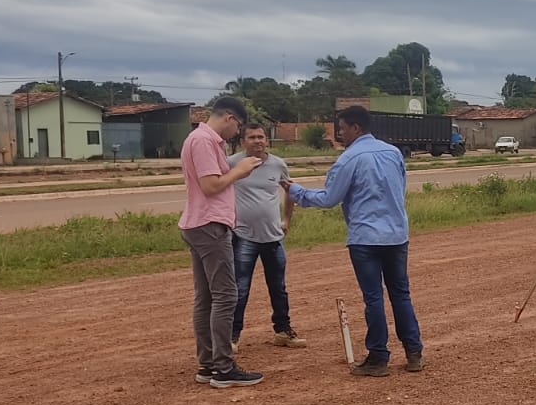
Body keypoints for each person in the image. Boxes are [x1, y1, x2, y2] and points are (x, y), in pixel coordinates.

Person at [284, 106, 424, 376]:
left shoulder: (348, 159)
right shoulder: (393, 152)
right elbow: (400, 188)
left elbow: (328, 199)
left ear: (356, 128)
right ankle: (414, 352)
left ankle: (378, 358)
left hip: (365, 237)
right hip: (396, 234)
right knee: (400, 294)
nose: (340, 134)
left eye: (343, 128)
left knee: (373, 298)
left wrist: (296, 191)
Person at [181, 96, 265, 388]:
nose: (237, 134)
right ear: (229, 117)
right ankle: (223, 367)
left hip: (199, 224)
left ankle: (208, 364)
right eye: (239, 126)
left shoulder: (201, 139)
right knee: (226, 295)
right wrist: (239, 171)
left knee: (206, 298)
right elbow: (210, 185)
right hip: (209, 225)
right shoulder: (204, 141)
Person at [228, 123, 306, 352]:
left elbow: (289, 190)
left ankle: (283, 331)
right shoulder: (232, 163)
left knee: (278, 287)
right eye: (251, 137)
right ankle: (232, 336)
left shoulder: (277, 164)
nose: (257, 141)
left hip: (273, 237)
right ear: (243, 141)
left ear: (267, 140)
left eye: (261, 137)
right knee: (240, 288)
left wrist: (287, 220)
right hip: (243, 236)